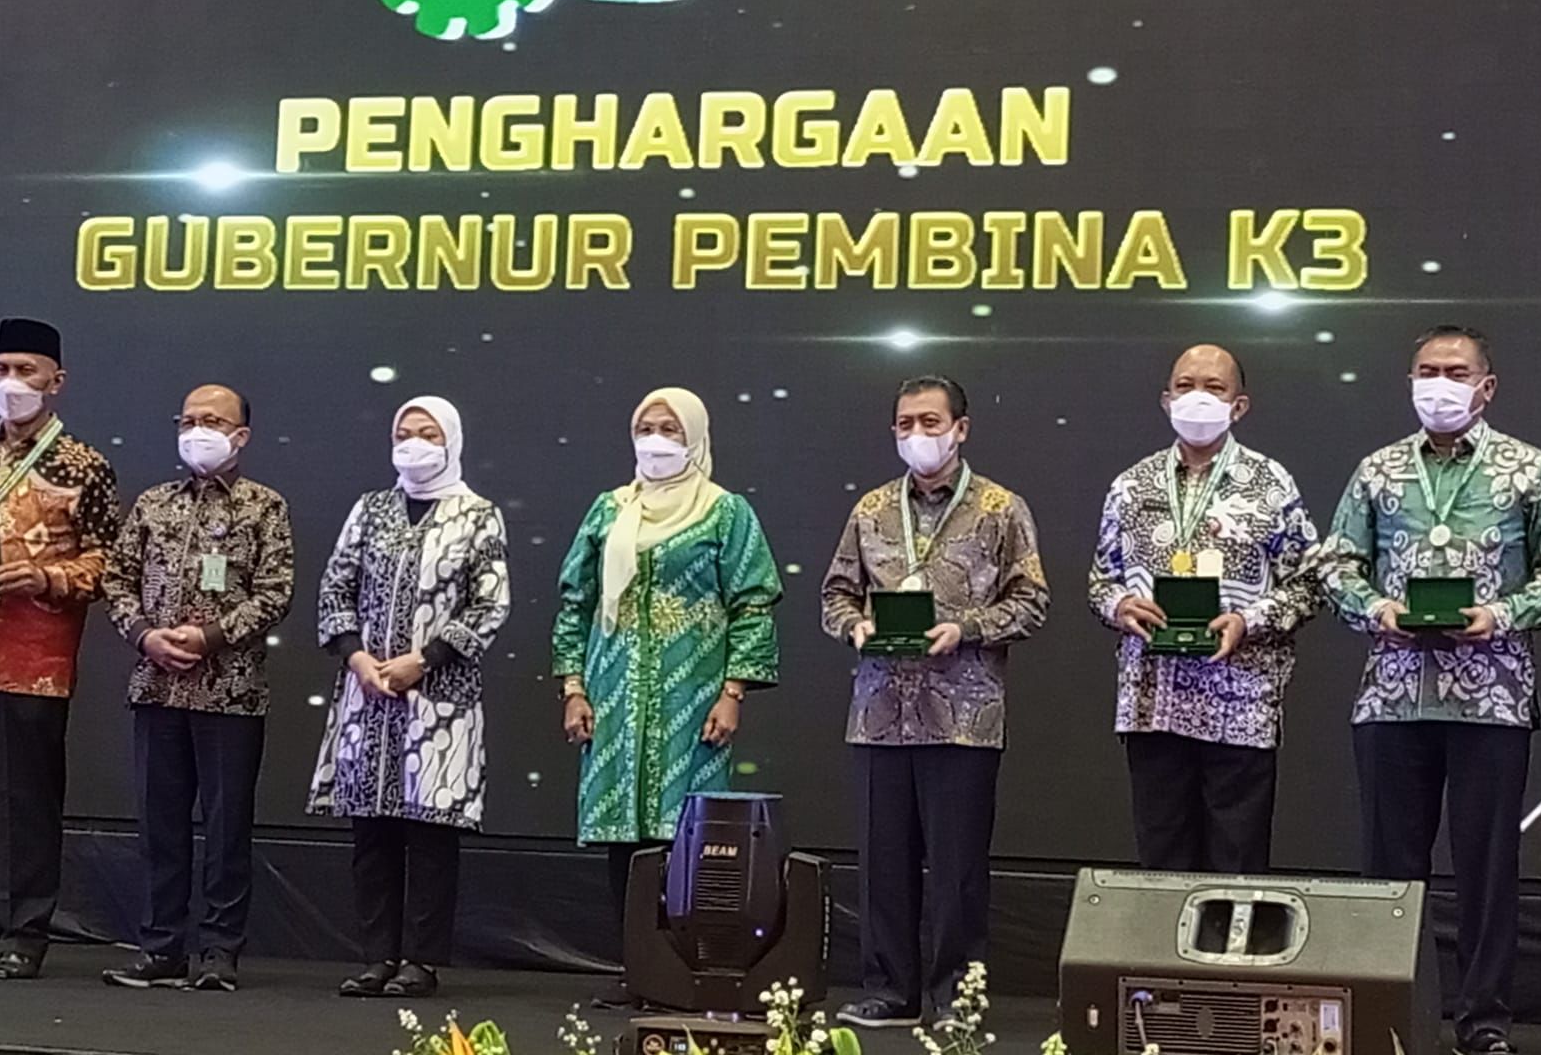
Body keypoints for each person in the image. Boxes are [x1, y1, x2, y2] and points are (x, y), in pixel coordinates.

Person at [1319, 325, 1541, 1055]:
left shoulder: (1529, 470)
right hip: (1392, 696)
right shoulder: (1379, 470)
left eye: (1455, 371)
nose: (1439, 383)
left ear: (1487, 386)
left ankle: (1483, 1022)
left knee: (1488, 869)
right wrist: (1376, 610)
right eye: (1427, 370)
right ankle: (1392, 1017)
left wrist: (1501, 614)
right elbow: (1334, 565)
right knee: (1391, 874)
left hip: (1492, 698)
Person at [821, 375, 1048, 1030]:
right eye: (905, 424)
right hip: (879, 714)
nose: (916, 434)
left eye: (929, 421)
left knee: (957, 868)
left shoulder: (1001, 508)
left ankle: (957, 997)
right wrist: (855, 627)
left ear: (960, 429)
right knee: (883, 863)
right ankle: (890, 990)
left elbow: (1032, 601)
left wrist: (966, 628)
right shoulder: (870, 510)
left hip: (964, 716)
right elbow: (835, 594)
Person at [551, 388, 782, 1003]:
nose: (656, 439)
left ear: (696, 437)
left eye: (670, 429)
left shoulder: (725, 512)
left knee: (688, 837)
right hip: (614, 697)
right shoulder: (609, 509)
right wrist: (574, 688)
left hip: (692, 699)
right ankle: (636, 969)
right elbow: (575, 603)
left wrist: (733, 692)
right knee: (624, 841)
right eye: (645, 427)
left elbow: (753, 604)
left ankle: (685, 971)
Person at [1088, 344, 1319, 874]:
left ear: (1239, 405)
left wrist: (1248, 621)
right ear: (1166, 400)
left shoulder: (1271, 483)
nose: (1198, 396)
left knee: (1235, 866)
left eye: (1214, 388)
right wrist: (1120, 605)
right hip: (1153, 703)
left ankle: (1231, 935)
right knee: (1161, 862)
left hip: (1240, 703)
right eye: (1185, 385)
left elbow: (1310, 582)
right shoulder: (1131, 485)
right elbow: (1101, 580)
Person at [307, 396, 508, 1000]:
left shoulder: (477, 514)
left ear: (452, 441)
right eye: (403, 433)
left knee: (430, 834)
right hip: (368, 695)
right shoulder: (370, 509)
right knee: (372, 832)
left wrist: (425, 659)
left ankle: (420, 959)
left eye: (428, 434)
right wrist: (357, 657)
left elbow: (490, 604)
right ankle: (377, 957)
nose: (414, 444)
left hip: (440, 698)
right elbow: (335, 588)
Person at [100, 385, 295, 992]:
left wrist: (208, 637)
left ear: (241, 435)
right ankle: (161, 946)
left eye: (212, 421)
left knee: (226, 828)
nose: (197, 431)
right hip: (156, 688)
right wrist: (145, 636)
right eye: (188, 420)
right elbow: (116, 578)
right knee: (160, 827)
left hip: (231, 693)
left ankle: (219, 951)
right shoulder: (154, 504)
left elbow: (276, 593)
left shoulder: (264, 507)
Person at [0, 318, 119, 980]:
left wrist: (47, 577)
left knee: (22, 802)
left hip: (31, 660)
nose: (11, 383)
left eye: (26, 371)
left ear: (57, 381)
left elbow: (109, 564)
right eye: (2, 370)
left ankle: (23, 931)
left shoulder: (82, 465)